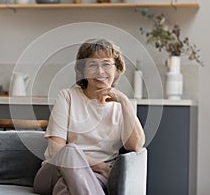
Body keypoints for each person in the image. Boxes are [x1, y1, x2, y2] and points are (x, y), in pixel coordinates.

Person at [33, 38, 145, 195]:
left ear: (116, 69)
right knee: (70, 151)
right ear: (83, 71)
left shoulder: (122, 105)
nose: (100, 71)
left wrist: (125, 101)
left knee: (65, 189)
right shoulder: (67, 97)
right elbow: (56, 150)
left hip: (94, 179)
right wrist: (102, 167)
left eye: (106, 64)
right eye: (92, 65)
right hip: (53, 172)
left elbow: (135, 146)